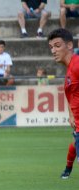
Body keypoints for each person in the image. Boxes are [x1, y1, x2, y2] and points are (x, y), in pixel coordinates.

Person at [48, 28, 79, 175]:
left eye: (57, 45)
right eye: (51, 47)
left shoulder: (77, 64)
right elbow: (72, 96)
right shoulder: (69, 70)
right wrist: (71, 115)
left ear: (70, 45)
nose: (53, 50)